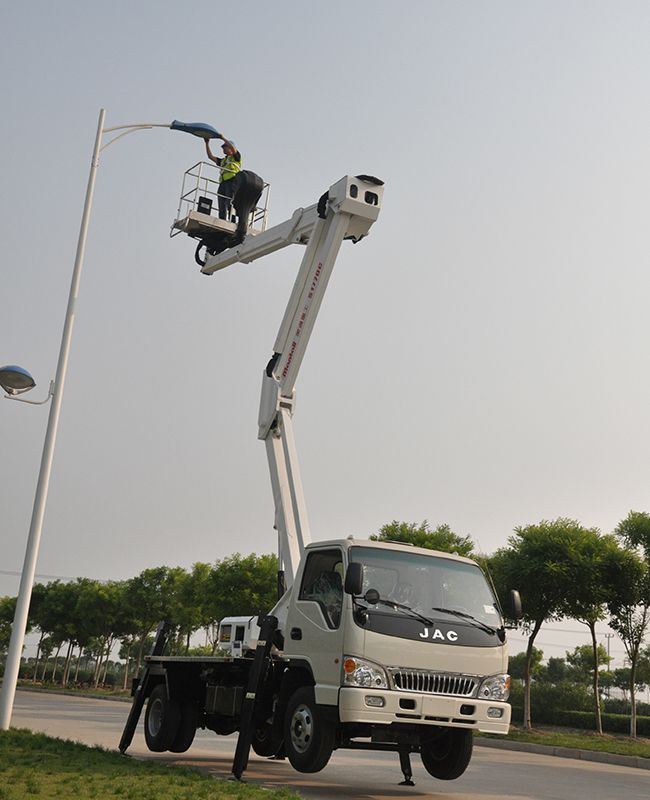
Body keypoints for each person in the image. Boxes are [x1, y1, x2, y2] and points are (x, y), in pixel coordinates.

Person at [204, 134, 242, 220]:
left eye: (225, 147)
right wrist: (207, 143)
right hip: (223, 183)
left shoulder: (236, 157)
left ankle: (232, 221)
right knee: (221, 205)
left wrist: (222, 138)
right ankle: (222, 219)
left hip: (232, 182)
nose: (223, 149)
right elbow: (210, 157)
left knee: (230, 203)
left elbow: (233, 149)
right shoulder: (223, 161)